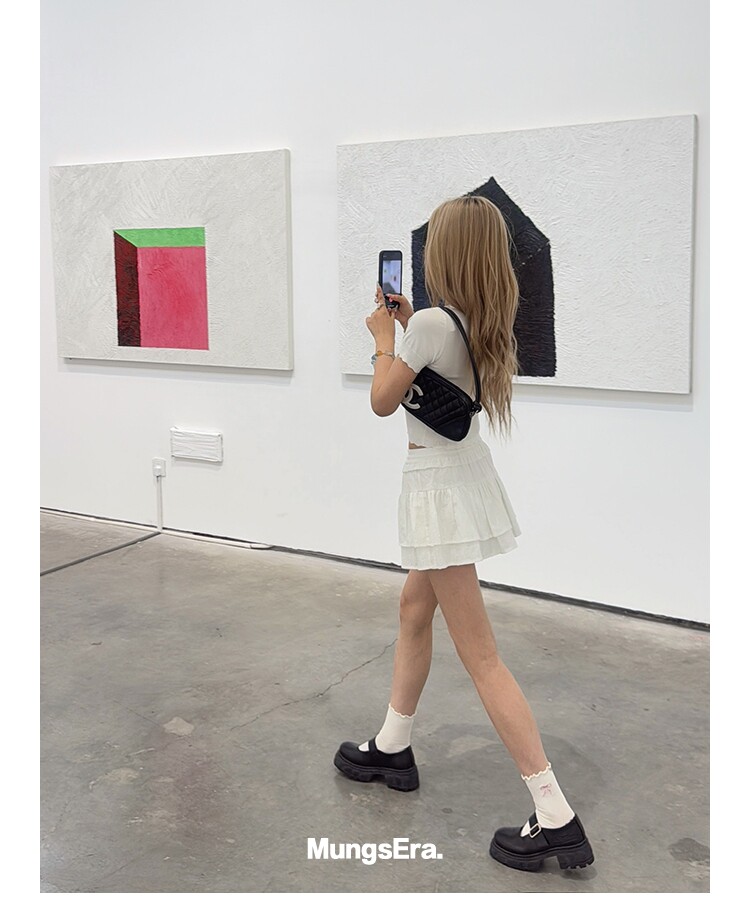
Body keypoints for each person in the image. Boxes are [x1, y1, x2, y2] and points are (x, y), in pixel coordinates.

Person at [333, 194, 595, 873]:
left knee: (482, 658)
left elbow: (383, 400)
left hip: (439, 491)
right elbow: (436, 365)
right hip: (462, 477)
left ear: (446, 254)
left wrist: (383, 338)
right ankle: (393, 746)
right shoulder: (475, 321)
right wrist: (406, 327)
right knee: (412, 608)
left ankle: (556, 816)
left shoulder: (428, 326)